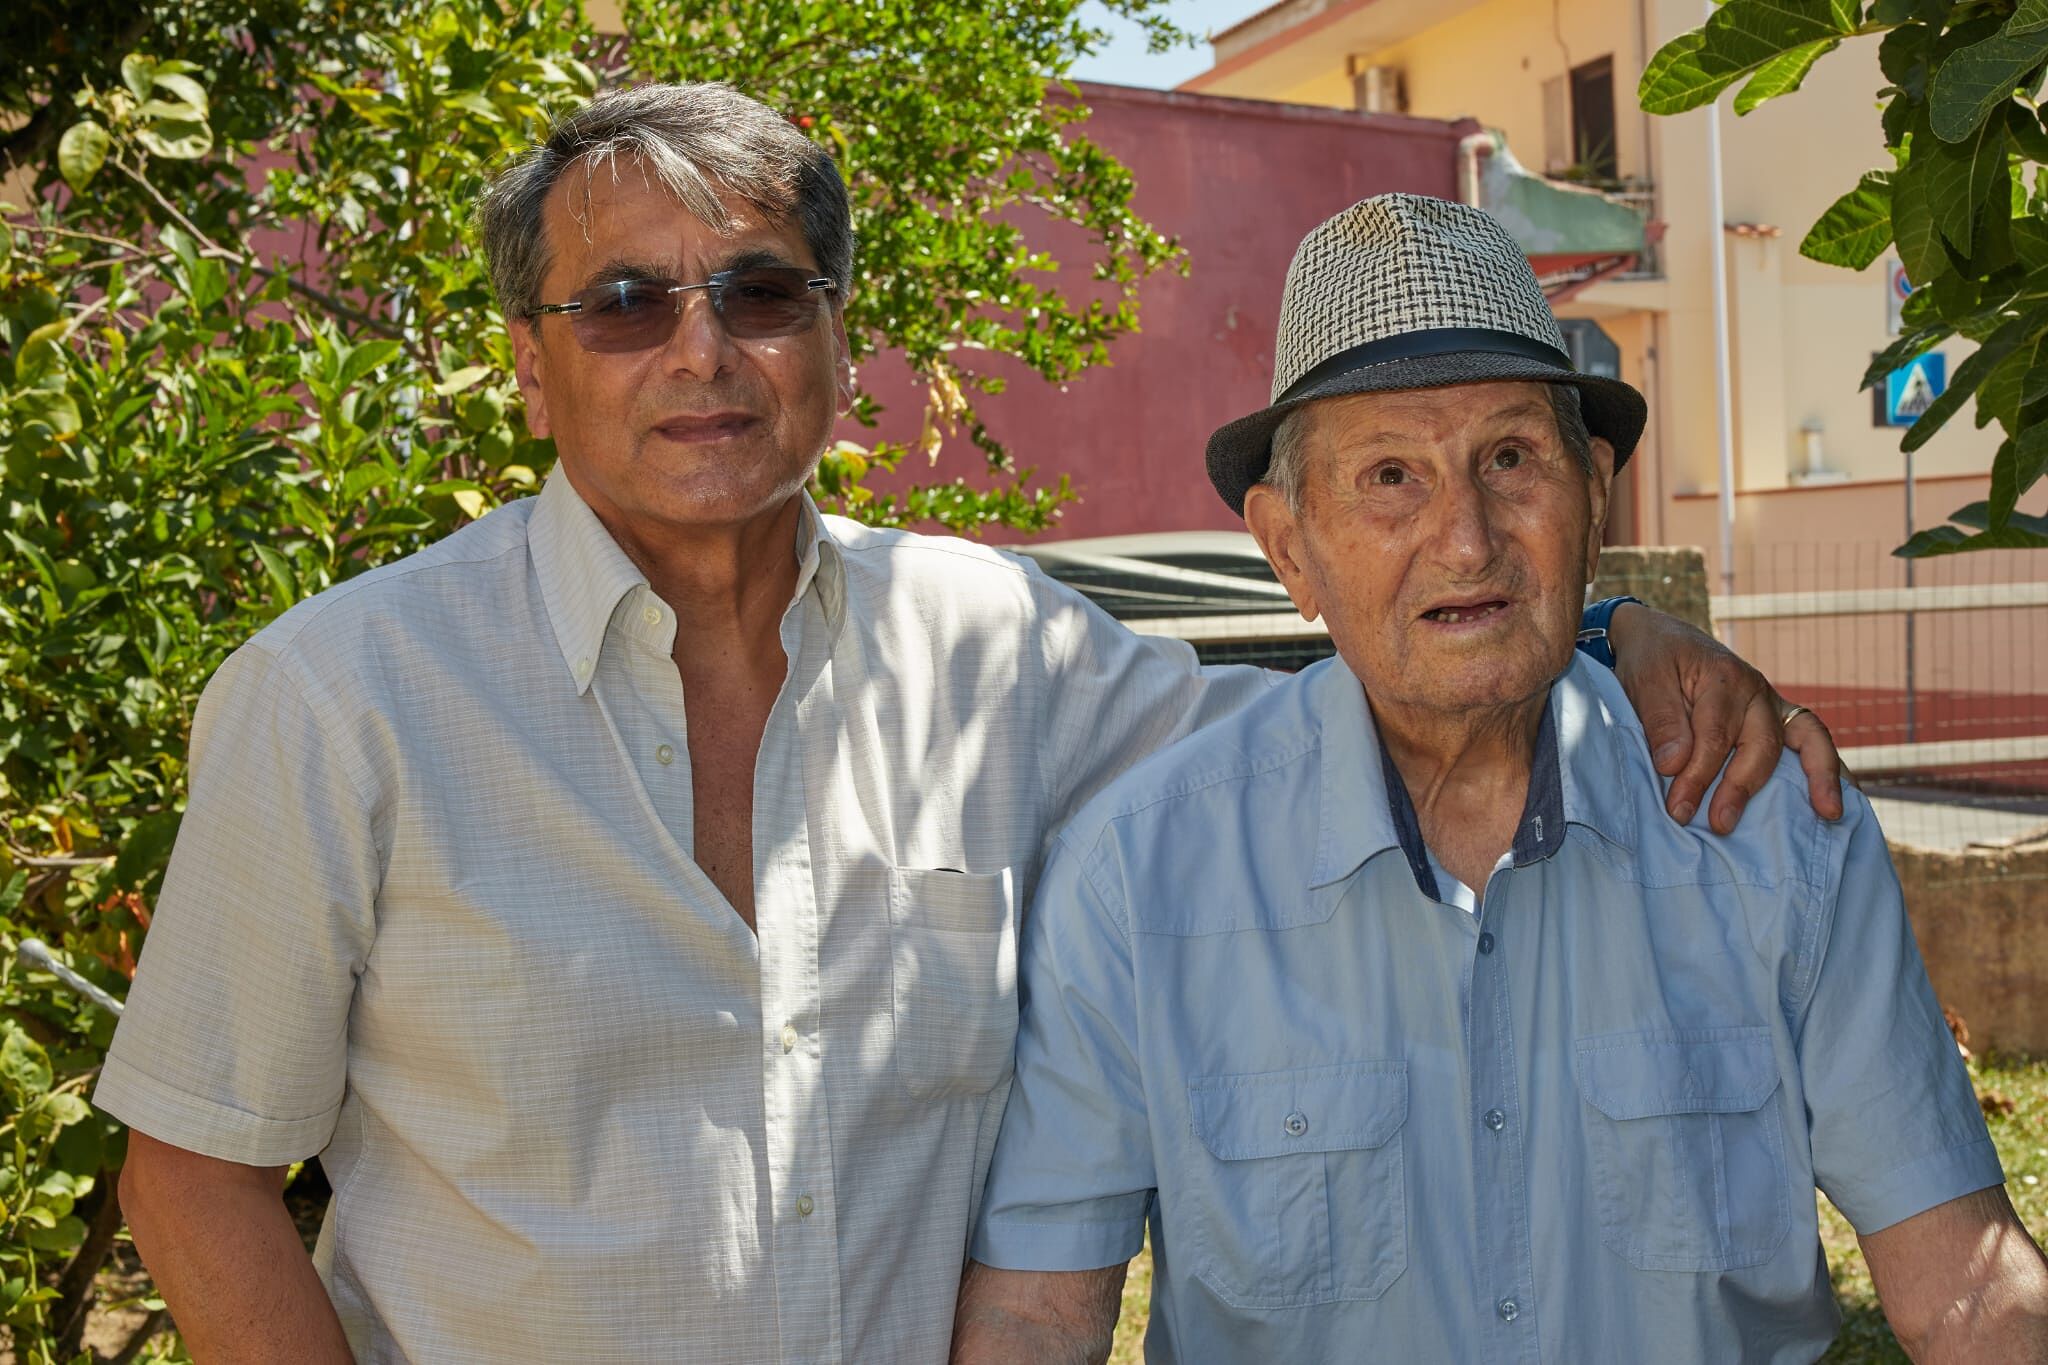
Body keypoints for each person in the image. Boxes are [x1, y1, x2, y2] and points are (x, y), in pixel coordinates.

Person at [99, 89, 1842, 1364]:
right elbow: (192, 1177)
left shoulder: (999, 650)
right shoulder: (342, 700)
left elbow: (1367, 697)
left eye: (760, 291)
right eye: (625, 302)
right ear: (530, 359)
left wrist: (1607, 634)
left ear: (836, 341)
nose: (699, 349)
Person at [956, 195, 2048, 1364]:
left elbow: (1966, 1289)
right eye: (1388, 477)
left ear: (1591, 494)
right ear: (1288, 550)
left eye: (1509, 459)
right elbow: (1034, 1315)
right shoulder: (1138, 877)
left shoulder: (1772, 828)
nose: (1466, 539)